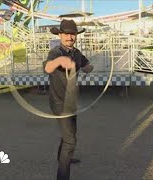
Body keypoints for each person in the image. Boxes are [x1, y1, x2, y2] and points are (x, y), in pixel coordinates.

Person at [43, 19, 94, 180]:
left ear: (76, 36)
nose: (69, 37)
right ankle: (62, 175)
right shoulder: (56, 52)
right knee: (70, 141)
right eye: (66, 34)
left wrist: (87, 68)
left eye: (72, 34)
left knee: (70, 133)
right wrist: (59, 61)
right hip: (59, 101)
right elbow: (47, 68)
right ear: (60, 35)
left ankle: (64, 158)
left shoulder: (77, 53)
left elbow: (87, 65)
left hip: (71, 100)